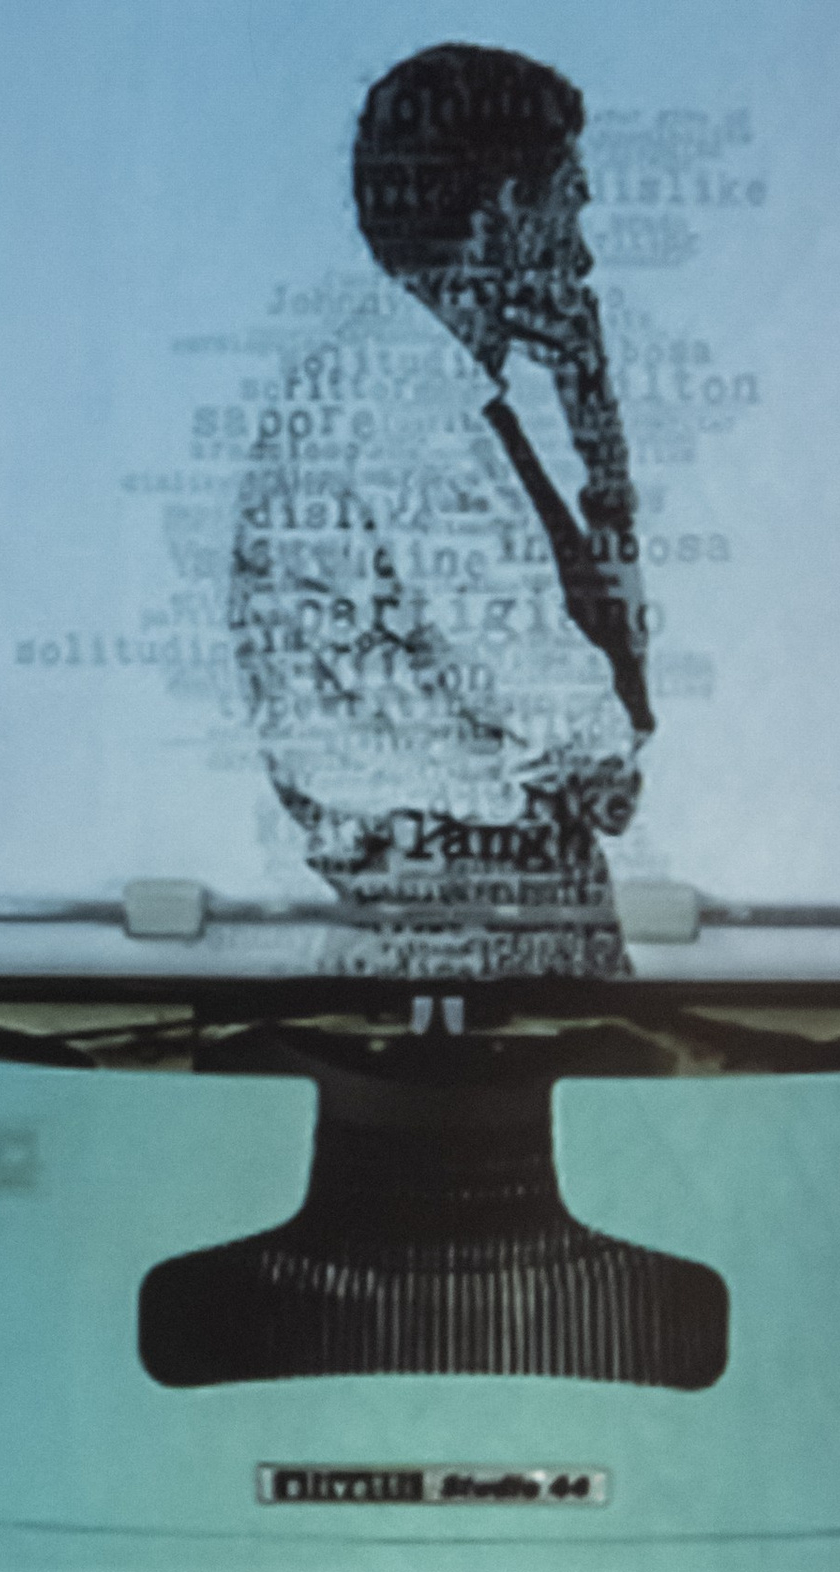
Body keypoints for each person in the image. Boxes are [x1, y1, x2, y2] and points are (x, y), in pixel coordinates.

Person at [230, 41, 653, 978]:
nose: (584, 253)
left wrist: (599, 440)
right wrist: (608, 758)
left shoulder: (392, 388)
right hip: (478, 920)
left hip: (451, 904)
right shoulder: (411, 418)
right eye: (569, 203)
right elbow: (592, 736)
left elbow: (609, 714)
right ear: (505, 213)